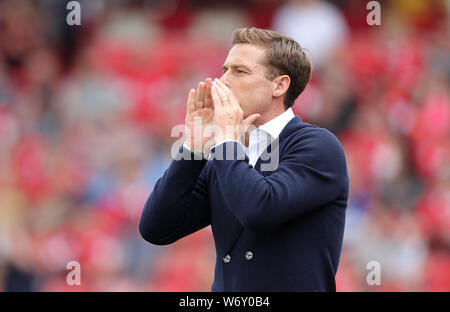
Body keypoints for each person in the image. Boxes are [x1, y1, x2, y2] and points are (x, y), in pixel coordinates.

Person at [139, 27, 349, 291]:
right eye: (225, 69)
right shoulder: (226, 153)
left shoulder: (317, 146)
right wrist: (194, 148)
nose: (222, 81)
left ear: (280, 85)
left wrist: (226, 140)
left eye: (239, 71)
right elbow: (156, 228)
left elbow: (258, 209)